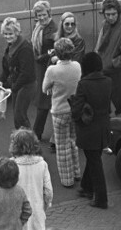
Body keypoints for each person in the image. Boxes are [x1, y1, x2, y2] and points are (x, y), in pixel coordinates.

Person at [71, 52, 111, 209]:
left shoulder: (83, 84)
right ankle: (86, 187)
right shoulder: (108, 81)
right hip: (103, 127)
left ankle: (101, 199)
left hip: (89, 130)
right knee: (93, 158)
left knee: (95, 162)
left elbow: (76, 111)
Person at [42, 39, 81, 188]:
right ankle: (77, 173)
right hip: (74, 109)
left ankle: (67, 179)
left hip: (59, 111)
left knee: (62, 146)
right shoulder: (77, 66)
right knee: (73, 141)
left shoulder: (53, 70)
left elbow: (44, 88)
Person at [94, 0, 121, 114]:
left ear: (118, 13)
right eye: (107, 14)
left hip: (118, 74)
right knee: (104, 106)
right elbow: (100, 46)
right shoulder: (105, 24)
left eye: (113, 14)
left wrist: (112, 63)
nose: (111, 17)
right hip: (104, 71)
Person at [8, 129, 53, 229]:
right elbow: (48, 192)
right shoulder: (42, 164)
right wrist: (44, 207)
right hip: (37, 212)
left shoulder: (10, 166)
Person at [0, 17, 37, 130]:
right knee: (17, 116)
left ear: (17, 32)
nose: (7, 36)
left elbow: (26, 73)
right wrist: (0, 81)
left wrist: (13, 88)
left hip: (27, 85)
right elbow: (6, 67)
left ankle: (28, 142)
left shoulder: (25, 48)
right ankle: (22, 140)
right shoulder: (11, 46)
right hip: (18, 84)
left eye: (10, 33)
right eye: (5, 34)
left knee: (20, 116)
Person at [30, 1, 57, 142]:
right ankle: (40, 134)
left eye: (43, 14)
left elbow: (56, 48)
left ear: (49, 13)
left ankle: (38, 134)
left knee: (47, 102)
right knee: (45, 101)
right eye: (38, 15)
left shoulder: (54, 28)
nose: (41, 18)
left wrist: (43, 56)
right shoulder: (38, 27)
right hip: (40, 68)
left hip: (49, 68)